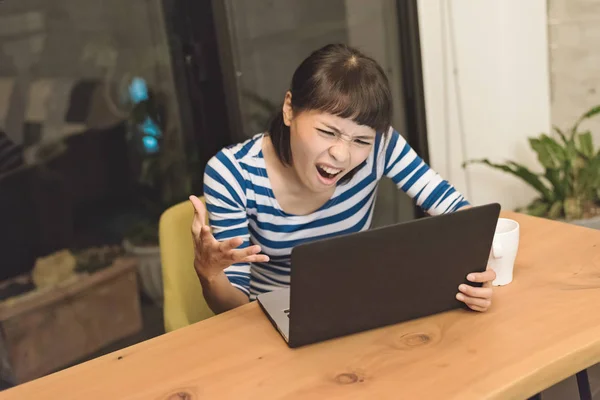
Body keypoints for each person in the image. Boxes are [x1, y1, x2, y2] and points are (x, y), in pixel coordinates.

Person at [190, 43, 495, 315]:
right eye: (327, 132)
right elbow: (231, 308)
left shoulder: (381, 146)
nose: (341, 155)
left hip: (359, 306)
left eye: (361, 140)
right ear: (289, 109)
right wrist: (210, 274)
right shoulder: (232, 173)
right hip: (274, 320)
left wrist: (475, 275)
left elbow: (453, 208)